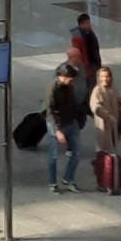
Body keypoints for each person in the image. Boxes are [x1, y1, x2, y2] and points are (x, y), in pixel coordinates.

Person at [46, 63, 82, 192]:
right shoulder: (53, 89)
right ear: (61, 76)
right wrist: (57, 130)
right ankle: (52, 183)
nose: (71, 80)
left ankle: (68, 178)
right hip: (57, 124)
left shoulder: (69, 86)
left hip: (70, 121)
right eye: (69, 77)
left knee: (76, 153)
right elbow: (50, 111)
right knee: (53, 155)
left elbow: (73, 104)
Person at [89, 66, 121, 155]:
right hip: (103, 125)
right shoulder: (97, 91)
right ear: (99, 78)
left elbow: (117, 101)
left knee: (113, 145)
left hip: (113, 124)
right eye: (102, 76)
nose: (105, 79)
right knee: (104, 149)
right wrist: (107, 115)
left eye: (107, 76)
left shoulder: (112, 89)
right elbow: (96, 107)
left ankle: (111, 164)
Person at [70, 12, 103, 78]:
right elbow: (82, 53)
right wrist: (87, 67)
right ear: (82, 24)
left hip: (93, 64)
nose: (90, 25)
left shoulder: (89, 33)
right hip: (88, 67)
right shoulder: (78, 37)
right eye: (87, 23)